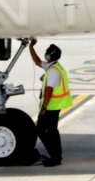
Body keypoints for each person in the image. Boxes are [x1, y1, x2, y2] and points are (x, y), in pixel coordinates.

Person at [29, 39, 72, 167]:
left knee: (42, 130)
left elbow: (48, 90)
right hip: (54, 106)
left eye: (46, 53)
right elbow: (37, 62)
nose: (45, 55)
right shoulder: (54, 66)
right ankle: (56, 155)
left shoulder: (53, 71)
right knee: (51, 131)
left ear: (49, 56)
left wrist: (44, 108)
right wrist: (31, 47)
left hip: (51, 107)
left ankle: (55, 157)